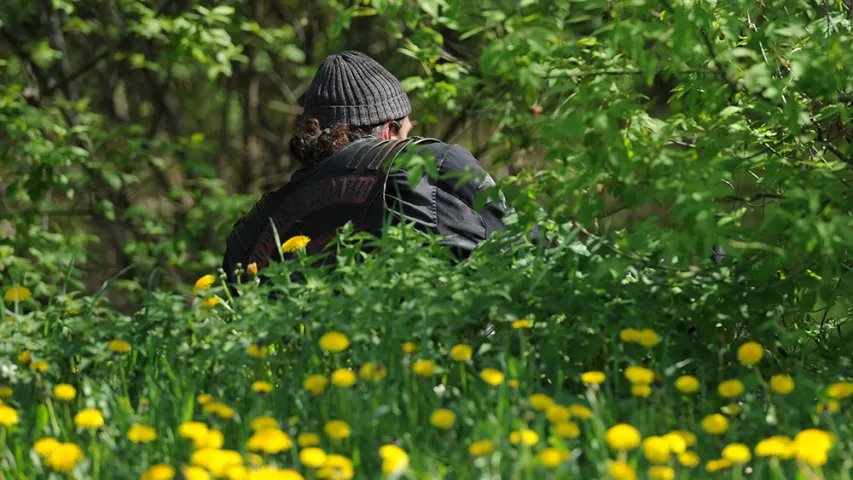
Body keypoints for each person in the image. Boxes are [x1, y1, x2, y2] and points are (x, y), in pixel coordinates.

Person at [221, 50, 510, 284]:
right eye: (405, 133)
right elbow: (522, 253)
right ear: (389, 130)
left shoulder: (253, 230)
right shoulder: (431, 164)